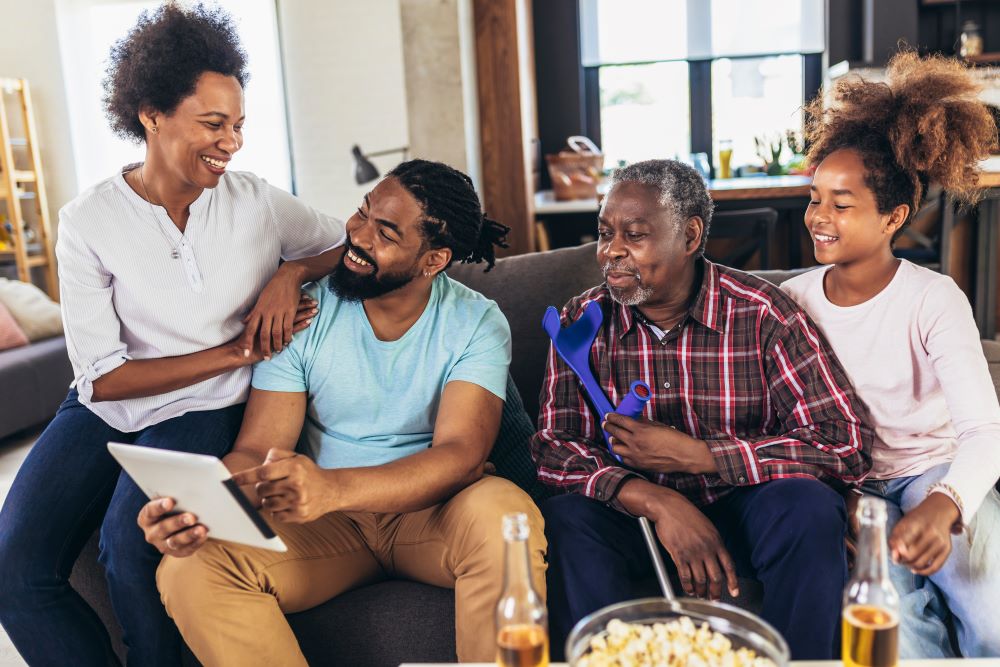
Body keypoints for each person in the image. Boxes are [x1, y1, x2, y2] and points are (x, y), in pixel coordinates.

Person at [0, 5, 345, 666]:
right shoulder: (89, 220)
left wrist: (291, 271)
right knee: (14, 567)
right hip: (105, 406)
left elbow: (342, 244)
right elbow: (103, 376)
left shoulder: (257, 203)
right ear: (152, 114)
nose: (231, 141)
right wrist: (237, 351)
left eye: (239, 124)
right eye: (213, 123)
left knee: (130, 548)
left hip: (204, 410)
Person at [143, 159, 546, 665]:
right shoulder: (305, 313)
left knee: (505, 514)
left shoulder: (476, 322)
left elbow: (462, 455)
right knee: (189, 568)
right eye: (362, 212)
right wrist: (196, 505)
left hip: (433, 516)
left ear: (433, 260)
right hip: (327, 527)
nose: (357, 235)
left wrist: (332, 488)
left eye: (386, 232)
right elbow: (255, 449)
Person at [532, 159, 874, 660]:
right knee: (567, 519)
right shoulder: (582, 321)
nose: (611, 252)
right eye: (605, 233)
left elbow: (842, 440)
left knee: (809, 508)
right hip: (634, 517)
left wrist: (702, 455)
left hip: (745, 507)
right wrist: (654, 499)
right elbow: (554, 449)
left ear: (690, 236)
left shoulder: (763, 313)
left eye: (635, 235)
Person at [782, 51, 1000, 657]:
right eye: (815, 197)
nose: (818, 218)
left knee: (994, 619)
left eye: (842, 204)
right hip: (849, 489)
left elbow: (985, 429)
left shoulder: (933, 299)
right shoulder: (790, 302)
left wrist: (946, 503)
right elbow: (782, 426)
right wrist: (838, 501)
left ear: (893, 217)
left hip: (934, 474)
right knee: (897, 636)